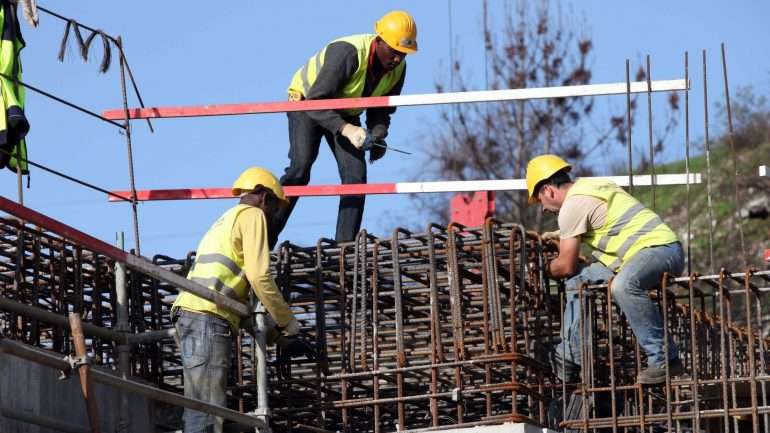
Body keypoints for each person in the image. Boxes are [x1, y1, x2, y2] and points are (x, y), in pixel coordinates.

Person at [171, 167, 315, 433]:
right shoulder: (252, 216)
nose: (273, 217)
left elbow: (241, 306)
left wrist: (278, 338)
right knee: (206, 411)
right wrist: (288, 321)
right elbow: (260, 276)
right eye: (274, 208)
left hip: (196, 314)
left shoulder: (228, 219)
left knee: (202, 406)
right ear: (263, 196)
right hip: (207, 317)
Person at [526, 155, 685, 385]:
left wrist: (540, 269)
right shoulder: (590, 186)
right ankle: (571, 353)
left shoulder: (572, 206)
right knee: (579, 282)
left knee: (624, 286)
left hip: (660, 250)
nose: (543, 208)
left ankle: (664, 358)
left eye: (540, 199)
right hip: (637, 255)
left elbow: (566, 265)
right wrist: (564, 236)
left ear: (549, 190)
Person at [270, 10, 418, 247]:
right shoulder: (348, 53)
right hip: (307, 103)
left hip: (346, 112)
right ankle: (266, 237)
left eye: (404, 54)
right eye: (394, 51)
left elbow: (381, 109)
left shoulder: (398, 69)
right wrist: (347, 130)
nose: (398, 59)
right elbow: (316, 102)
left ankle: (344, 247)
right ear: (378, 40)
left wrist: (377, 135)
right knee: (300, 168)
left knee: (355, 176)